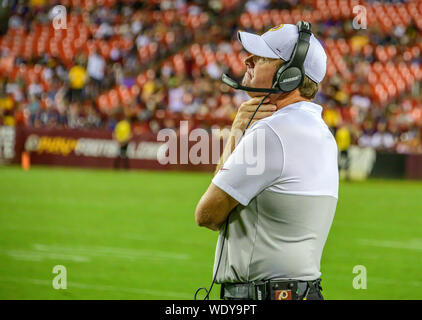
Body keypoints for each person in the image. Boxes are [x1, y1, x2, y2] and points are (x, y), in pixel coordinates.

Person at [194, 23, 338, 300]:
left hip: (261, 294)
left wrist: (237, 131)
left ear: (289, 75)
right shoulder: (321, 132)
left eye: (261, 57)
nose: (247, 60)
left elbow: (207, 215)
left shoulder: (271, 132)